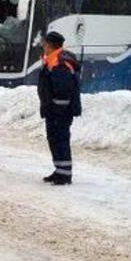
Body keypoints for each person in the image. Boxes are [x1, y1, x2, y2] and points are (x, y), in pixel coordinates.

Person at [37, 31, 82, 185]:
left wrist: (56, 109)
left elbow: (63, 89)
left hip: (60, 111)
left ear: (50, 45)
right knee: (55, 139)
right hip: (56, 110)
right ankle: (60, 170)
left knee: (60, 139)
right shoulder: (54, 59)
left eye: (45, 43)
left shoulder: (59, 62)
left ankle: (64, 175)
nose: (43, 46)